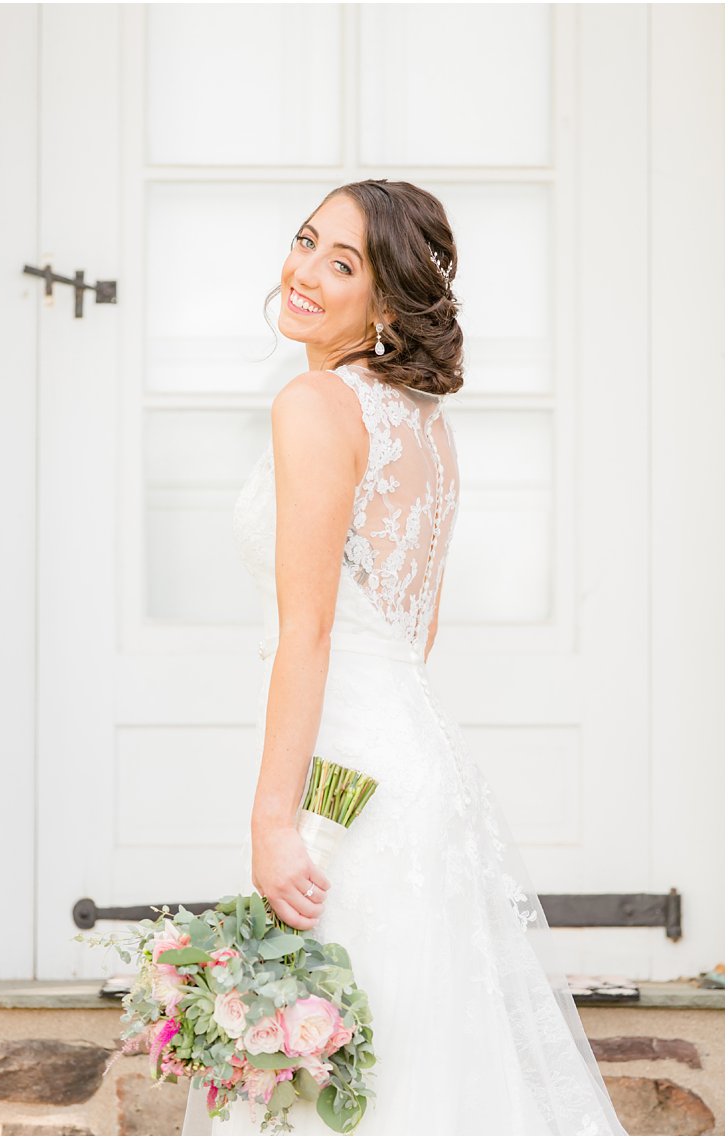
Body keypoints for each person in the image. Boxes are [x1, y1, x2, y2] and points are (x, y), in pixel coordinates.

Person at [180, 181, 625, 1135]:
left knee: (337, 1074)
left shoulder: (313, 403)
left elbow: (310, 631)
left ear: (386, 306)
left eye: (341, 264)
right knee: (419, 1057)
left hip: (346, 781)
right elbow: (414, 631)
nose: (302, 271)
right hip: (417, 763)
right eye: (305, 241)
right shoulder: (423, 426)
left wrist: (272, 817)